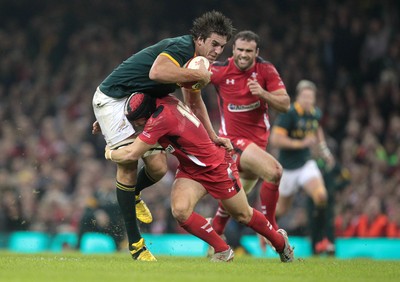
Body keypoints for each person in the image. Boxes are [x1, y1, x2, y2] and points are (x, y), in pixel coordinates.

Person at [92, 10, 235, 261]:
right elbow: (156, 73)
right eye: (214, 44)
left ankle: (134, 194)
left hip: (132, 100)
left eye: (222, 46)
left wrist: (213, 135)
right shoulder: (182, 47)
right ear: (199, 39)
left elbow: (194, 100)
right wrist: (107, 116)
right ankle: (136, 245)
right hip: (113, 99)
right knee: (127, 165)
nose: (217, 51)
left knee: (158, 168)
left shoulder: (195, 63)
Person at [104, 92, 295, 263]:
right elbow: (139, 120)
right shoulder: (160, 100)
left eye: (137, 121)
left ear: (146, 115)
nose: (135, 125)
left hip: (216, 167)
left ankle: (280, 243)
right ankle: (223, 250)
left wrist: (109, 153)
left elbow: (131, 154)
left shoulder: (160, 120)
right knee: (180, 210)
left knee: (242, 214)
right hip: (190, 168)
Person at [205, 30, 290, 245]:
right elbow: (192, 78)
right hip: (232, 144)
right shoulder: (221, 71)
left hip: (256, 148)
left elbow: (285, 104)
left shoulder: (266, 70)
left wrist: (263, 93)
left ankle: (215, 237)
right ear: (233, 50)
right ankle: (271, 228)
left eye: (248, 51)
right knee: (274, 172)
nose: (243, 54)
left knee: (230, 205)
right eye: (240, 49)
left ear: (256, 52)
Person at [269, 79, 335, 253]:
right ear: (298, 97)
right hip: (288, 169)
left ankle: (322, 238)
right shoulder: (289, 113)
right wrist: (302, 143)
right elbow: (275, 140)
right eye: (305, 97)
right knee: (280, 210)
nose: (308, 101)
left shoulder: (315, 113)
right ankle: (264, 232)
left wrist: (324, 151)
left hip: (306, 164)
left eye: (310, 97)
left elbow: (317, 129)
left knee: (321, 196)